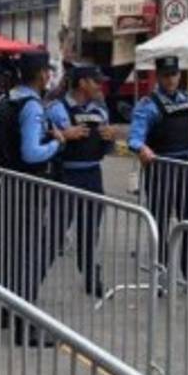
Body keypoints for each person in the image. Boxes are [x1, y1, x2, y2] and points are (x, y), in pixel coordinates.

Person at [0, 50, 85, 347]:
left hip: (9, 182)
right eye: (47, 71)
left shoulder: (7, 100)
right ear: (41, 74)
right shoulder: (31, 107)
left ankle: (8, 310)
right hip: (28, 186)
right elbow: (32, 152)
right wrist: (57, 144)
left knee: (8, 251)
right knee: (27, 256)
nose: (50, 76)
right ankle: (25, 324)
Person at [128, 56, 188, 287]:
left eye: (174, 74)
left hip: (185, 169)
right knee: (159, 225)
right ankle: (160, 276)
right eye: (165, 75)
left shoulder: (186, 102)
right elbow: (135, 136)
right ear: (158, 76)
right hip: (160, 168)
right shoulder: (148, 104)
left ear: (179, 75)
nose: (170, 79)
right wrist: (142, 147)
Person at [46, 64, 116, 298]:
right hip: (66, 175)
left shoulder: (100, 111)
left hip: (93, 175)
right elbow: (44, 138)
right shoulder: (58, 109)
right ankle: (33, 279)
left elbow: (106, 148)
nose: (100, 86)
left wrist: (109, 140)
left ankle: (90, 275)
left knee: (90, 230)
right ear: (82, 82)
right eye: (96, 81)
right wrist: (64, 136)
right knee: (55, 233)